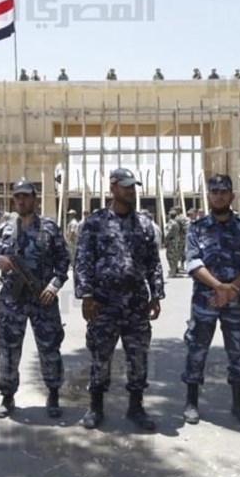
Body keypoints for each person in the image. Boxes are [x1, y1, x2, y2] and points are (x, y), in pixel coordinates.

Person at [74, 168, 164, 431]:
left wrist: (156, 294)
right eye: (125, 186)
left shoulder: (144, 224)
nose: (130, 191)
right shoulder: (95, 222)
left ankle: (136, 407)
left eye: (132, 187)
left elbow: (153, 262)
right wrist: (86, 296)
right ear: (112, 188)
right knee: (100, 355)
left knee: (138, 356)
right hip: (104, 303)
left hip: (136, 303)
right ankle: (95, 406)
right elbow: (83, 260)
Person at [0, 180, 70, 418]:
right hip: (12, 301)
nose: (21, 200)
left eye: (26, 196)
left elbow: (64, 260)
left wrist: (54, 286)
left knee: (50, 347)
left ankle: (53, 393)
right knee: (8, 348)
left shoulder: (49, 228)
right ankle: (7, 396)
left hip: (43, 299)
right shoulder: (3, 229)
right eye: (17, 197)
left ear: (34, 198)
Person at [181, 174, 240, 427]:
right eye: (214, 192)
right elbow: (193, 263)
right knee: (196, 349)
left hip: (234, 300)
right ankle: (191, 402)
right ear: (209, 196)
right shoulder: (197, 228)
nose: (219, 196)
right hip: (205, 300)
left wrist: (232, 288)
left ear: (232, 196)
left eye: (224, 192)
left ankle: (239, 403)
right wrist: (219, 287)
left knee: (238, 351)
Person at [163, 208, 182, 277]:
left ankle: (172, 271)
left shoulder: (171, 223)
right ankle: (174, 270)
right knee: (175, 256)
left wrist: (165, 241)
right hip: (176, 241)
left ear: (170, 215)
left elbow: (168, 233)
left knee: (170, 256)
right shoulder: (176, 223)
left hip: (171, 241)